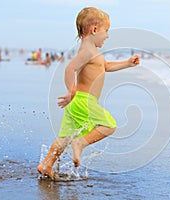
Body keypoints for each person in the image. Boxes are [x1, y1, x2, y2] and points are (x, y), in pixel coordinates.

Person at [37, 7, 140, 179]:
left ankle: (46, 164)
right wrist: (71, 91)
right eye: (106, 31)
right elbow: (70, 68)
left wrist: (127, 63)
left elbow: (105, 66)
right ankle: (80, 143)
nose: (107, 35)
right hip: (84, 100)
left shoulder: (91, 51)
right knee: (109, 125)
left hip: (77, 103)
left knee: (64, 139)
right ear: (94, 29)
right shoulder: (88, 51)